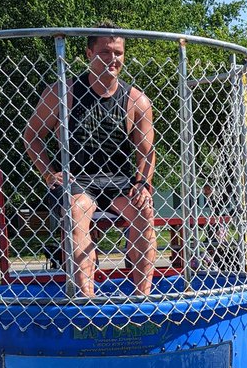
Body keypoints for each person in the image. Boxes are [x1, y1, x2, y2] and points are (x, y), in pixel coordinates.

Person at [23, 28, 156, 297]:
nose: (113, 59)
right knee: (77, 210)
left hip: (118, 181)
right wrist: (49, 174)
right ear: (89, 53)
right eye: (105, 52)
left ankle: (144, 296)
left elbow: (146, 153)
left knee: (144, 210)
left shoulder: (136, 101)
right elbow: (32, 136)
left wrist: (143, 185)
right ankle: (86, 298)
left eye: (118, 53)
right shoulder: (63, 93)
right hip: (77, 180)